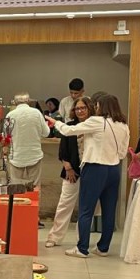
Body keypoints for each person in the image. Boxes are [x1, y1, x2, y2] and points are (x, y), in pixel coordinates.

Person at [48, 94, 130, 258]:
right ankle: (103, 248)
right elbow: (122, 153)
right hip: (114, 169)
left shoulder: (97, 121)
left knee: (86, 209)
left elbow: (68, 130)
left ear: (102, 107)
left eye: (97, 106)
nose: (96, 108)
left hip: (95, 168)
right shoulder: (123, 126)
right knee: (108, 211)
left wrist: (55, 122)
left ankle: (82, 248)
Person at [45, 96, 93, 248]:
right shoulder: (70, 126)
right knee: (64, 204)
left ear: (90, 109)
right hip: (71, 172)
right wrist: (69, 168)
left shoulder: (94, 126)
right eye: (77, 108)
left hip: (91, 172)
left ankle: (82, 240)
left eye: (83, 108)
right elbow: (63, 151)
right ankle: (54, 237)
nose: (80, 111)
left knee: (86, 208)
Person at [5, 92, 49, 187]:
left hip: (16, 156)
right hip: (34, 155)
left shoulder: (10, 115)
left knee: (16, 187)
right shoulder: (37, 113)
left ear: (15, 102)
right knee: (34, 187)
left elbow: (6, 135)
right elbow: (46, 133)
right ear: (28, 101)